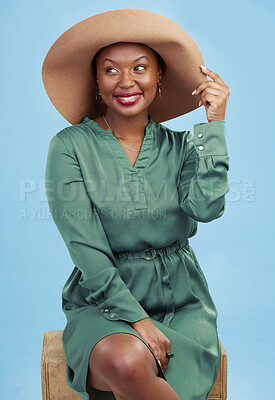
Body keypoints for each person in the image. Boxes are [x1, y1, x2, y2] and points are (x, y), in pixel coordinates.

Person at [42, 8, 230, 400]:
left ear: (160, 76)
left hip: (182, 301)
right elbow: (85, 247)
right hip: (102, 301)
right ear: (95, 79)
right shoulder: (69, 147)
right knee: (128, 360)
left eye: (140, 68)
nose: (126, 82)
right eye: (111, 70)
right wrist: (139, 320)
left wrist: (214, 128)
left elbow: (207, 209)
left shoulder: (182, 148)